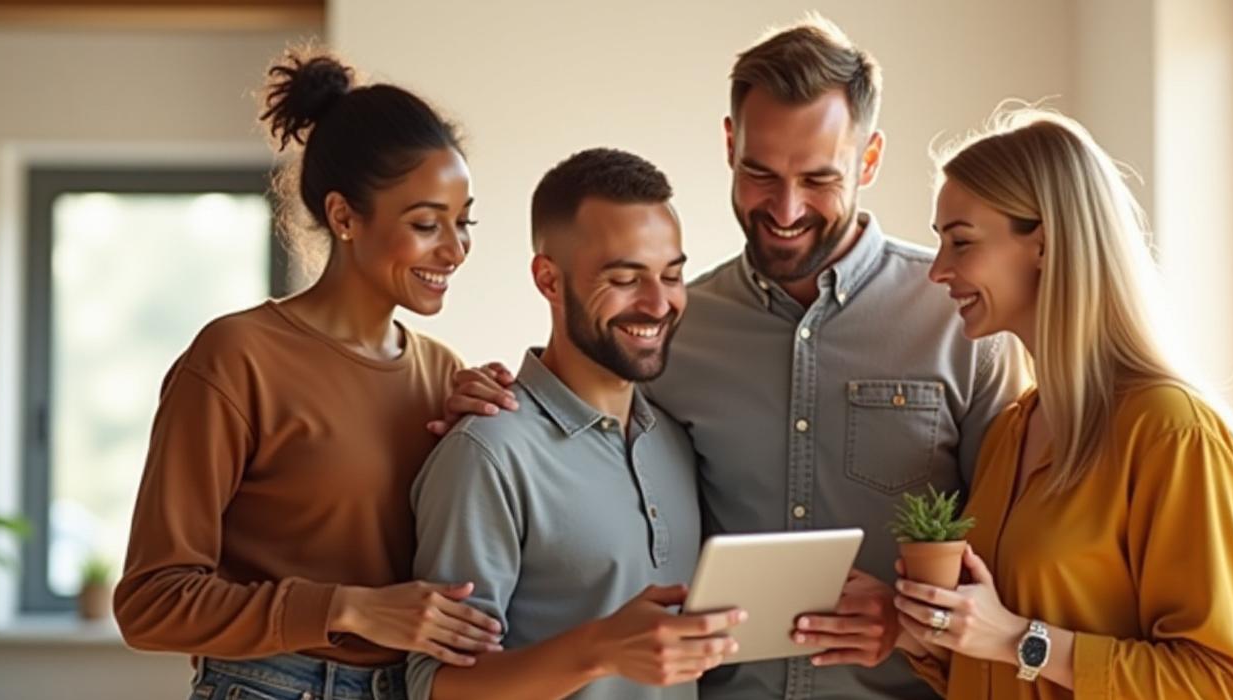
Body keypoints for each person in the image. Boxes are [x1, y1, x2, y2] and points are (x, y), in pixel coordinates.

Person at [438, 17, 1027, 700]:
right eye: (759, 172)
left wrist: (909, 624)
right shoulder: (676, 327)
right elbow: (583, 418)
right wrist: (483, 397)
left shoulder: (963, 320)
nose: (786, 208)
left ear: (868, 160)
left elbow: (1011, 566)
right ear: (729, 145)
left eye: (819, 178)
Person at [113, 49, 504, 699]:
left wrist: (492, 434)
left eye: (464, 223)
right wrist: (348, 609)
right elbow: (152, 603)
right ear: (344, 216)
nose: (455, 249)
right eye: (426, 223)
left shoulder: (444, 374)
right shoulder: (237, 357)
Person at [891, 107, 1233, 699]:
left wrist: (1017, 640)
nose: (938, 271)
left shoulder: (1171, 431)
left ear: (1044, 244)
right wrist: (921, 634)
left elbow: (1221, 684)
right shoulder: (1012, 429)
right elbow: (994, 663)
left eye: (961, 242)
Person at [407, 148, 742, 700]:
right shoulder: (488, 452)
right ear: (549, 280)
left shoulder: (676, 440)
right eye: (625, 278)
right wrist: (599, 650)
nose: (658, 303)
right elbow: (435, 684)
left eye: (672, 275)